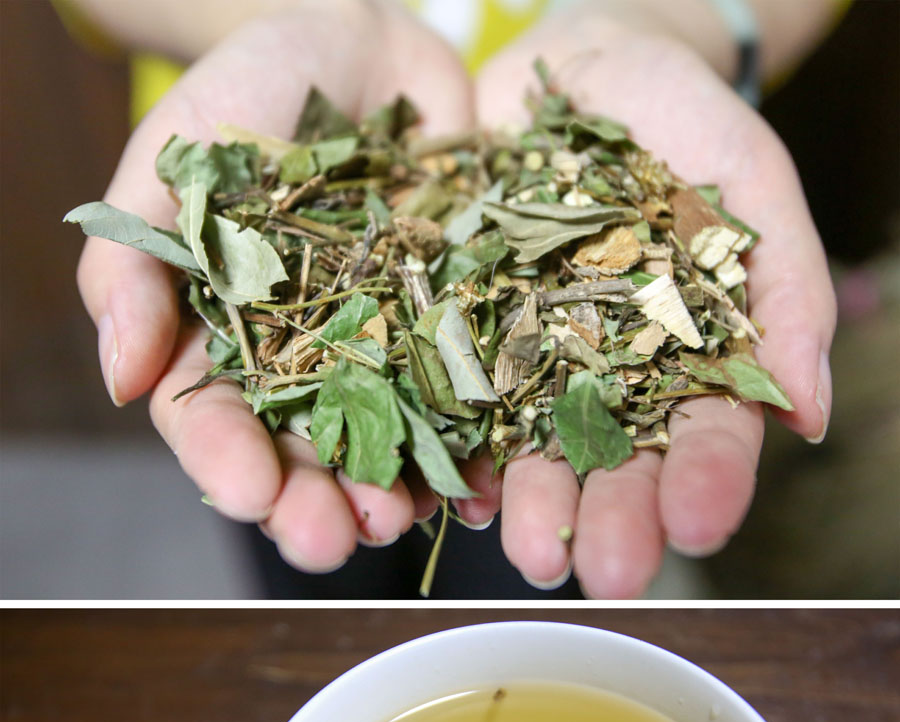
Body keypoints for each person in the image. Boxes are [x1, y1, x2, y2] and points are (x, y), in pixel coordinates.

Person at [66, 0, 843, 598]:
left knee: (528, 575)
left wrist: (667, 21)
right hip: (266, 120)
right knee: (311, 556)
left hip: (529, 392)